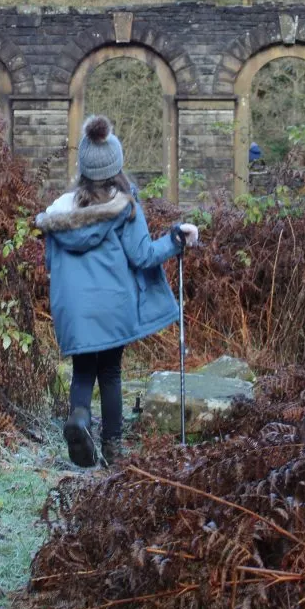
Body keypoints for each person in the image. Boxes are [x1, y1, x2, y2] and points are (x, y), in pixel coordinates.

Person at [35, 115, 199, 468]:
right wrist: (175, 238)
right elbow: (143, 256)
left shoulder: (59, 213)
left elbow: (50, 264)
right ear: (116, 165)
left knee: (82, 372)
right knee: (109, 373)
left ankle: (79, 422)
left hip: (74, 311)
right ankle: (113, 450)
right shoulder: (124, 207)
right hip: (112, 305)